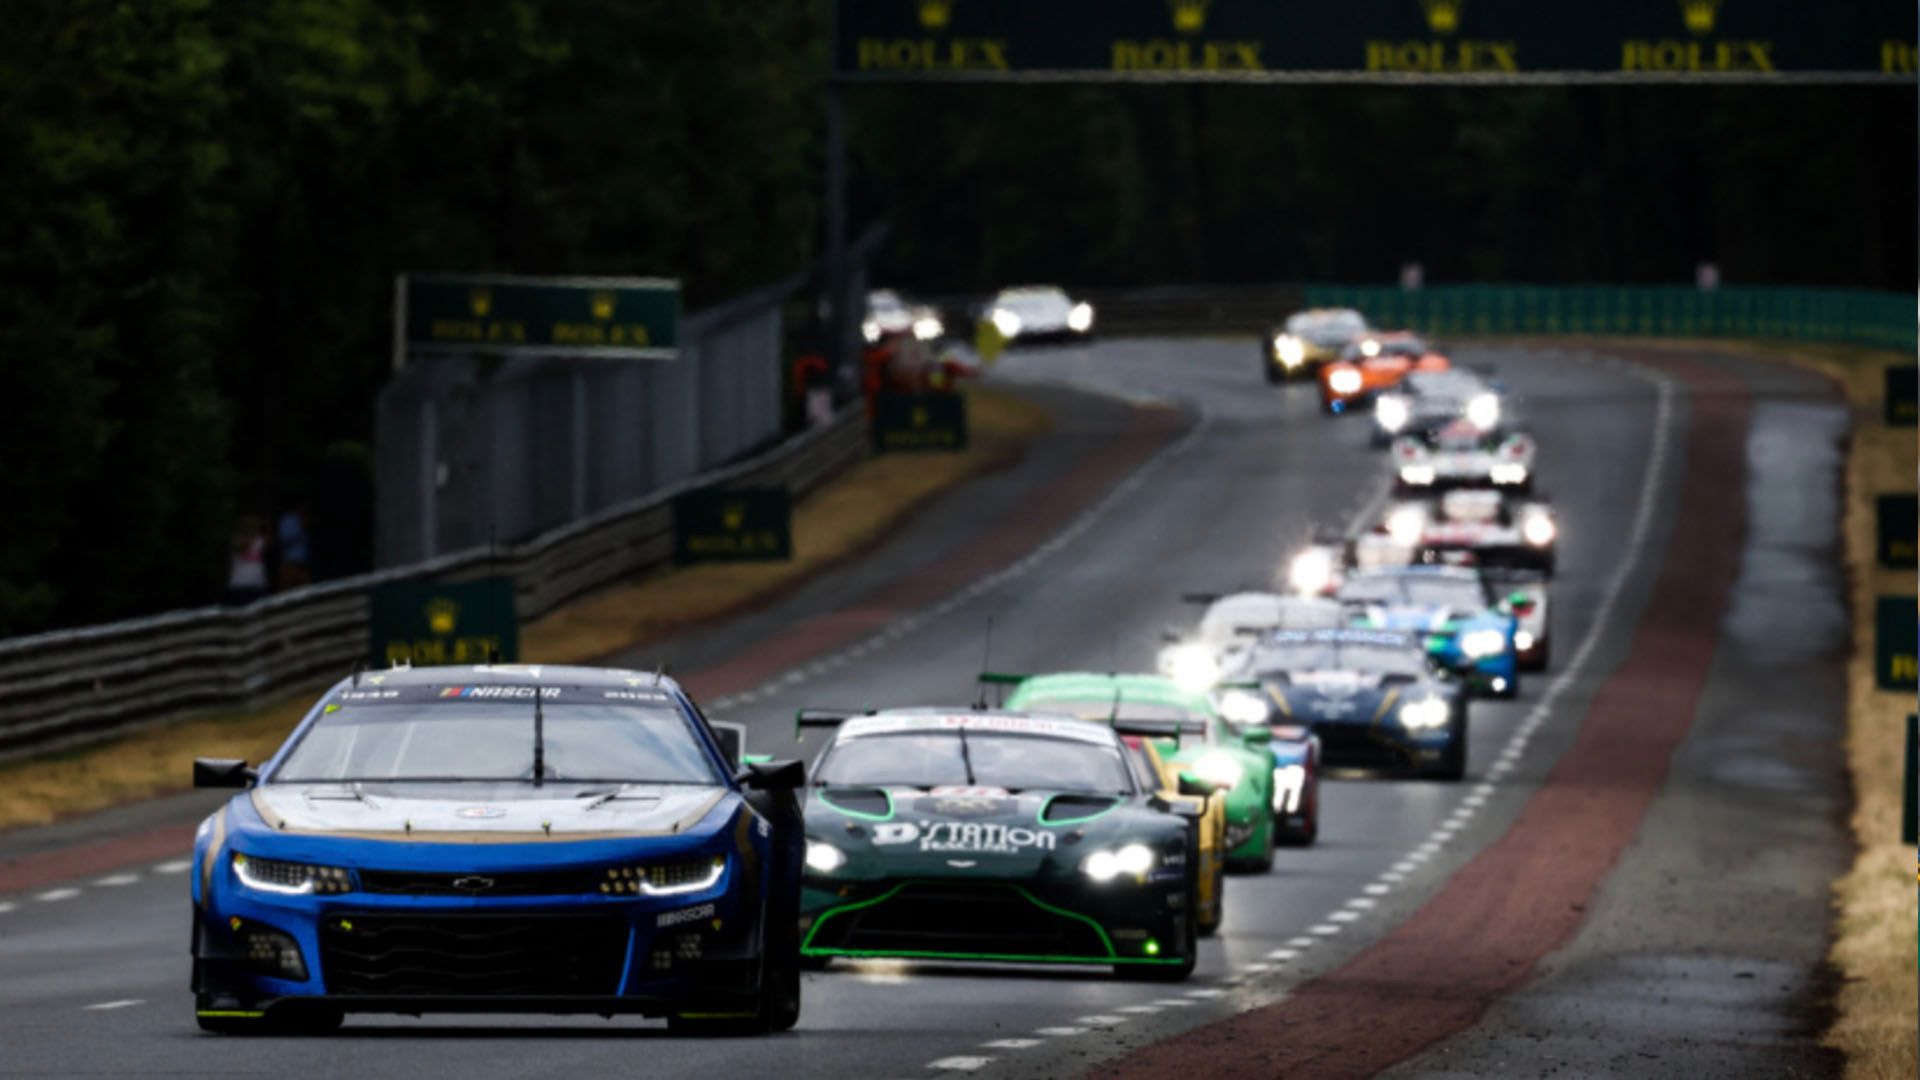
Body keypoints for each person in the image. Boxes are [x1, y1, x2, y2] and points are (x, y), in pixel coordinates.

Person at [226, 515, 269, 605]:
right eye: (248, 523)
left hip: (258, 585)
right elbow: (240, 547)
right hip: (239, 586)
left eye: (254, 523)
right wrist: (248, 535)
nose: (251, 525)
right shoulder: (236, 538)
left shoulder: (260, 540)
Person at [276, 506, 311, 590]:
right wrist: (300, 528)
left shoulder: (304, 518)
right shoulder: (288, 520)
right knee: (287, 593)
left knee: (306, 592)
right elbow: (283, 540)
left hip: (303, 564)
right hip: (290, 563)